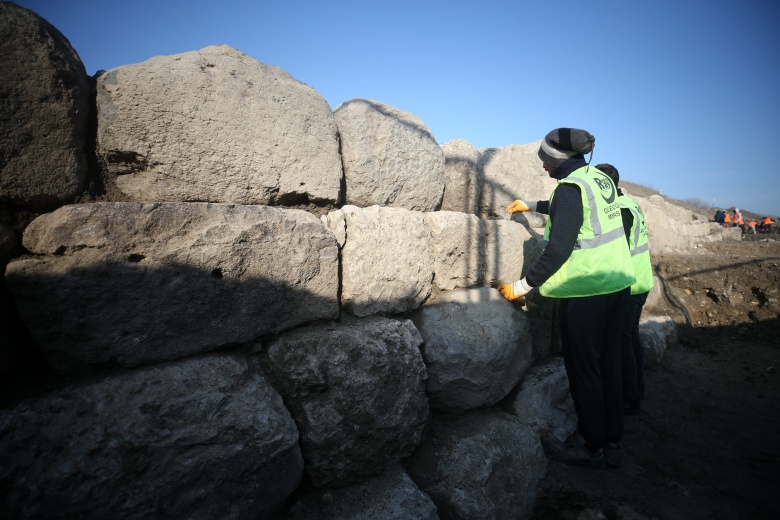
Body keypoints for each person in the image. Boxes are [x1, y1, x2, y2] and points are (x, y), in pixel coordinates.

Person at [497, 128, 635, 469]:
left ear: (559, 160)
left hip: (589, 292)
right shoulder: (595, 179)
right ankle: (613, 441)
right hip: (617, 286)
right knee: (608, 365)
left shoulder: (570, 188)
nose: (543, 166)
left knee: (584, 371)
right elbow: (572, 212)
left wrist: (524, 285)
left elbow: (558, 247)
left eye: (545, 160)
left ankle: (590, 447)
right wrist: (530, 204)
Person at [595, 163, 654, 416]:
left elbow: (616, 248)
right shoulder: (629, 203)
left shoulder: (618, 211)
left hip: (629, 285)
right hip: (641, 280)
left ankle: (629, 398)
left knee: (621, 341)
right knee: (630, 337)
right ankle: (636, 389)